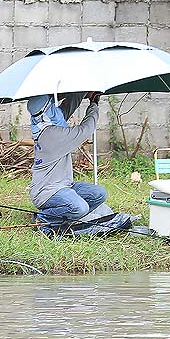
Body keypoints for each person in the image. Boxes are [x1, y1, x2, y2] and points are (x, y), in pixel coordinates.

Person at [29, 91, 108, 234]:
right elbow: (86, 129)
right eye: (52, 106)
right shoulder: (51, 135)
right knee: (79, 208)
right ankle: (44, 218)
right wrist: (94, 104)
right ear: (47, 110)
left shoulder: (46, 123)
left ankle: (67, 217)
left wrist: (84, 91)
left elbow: (67, 107)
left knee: (99, 193)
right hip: (47, 192)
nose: (56, 108)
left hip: (65, 186)